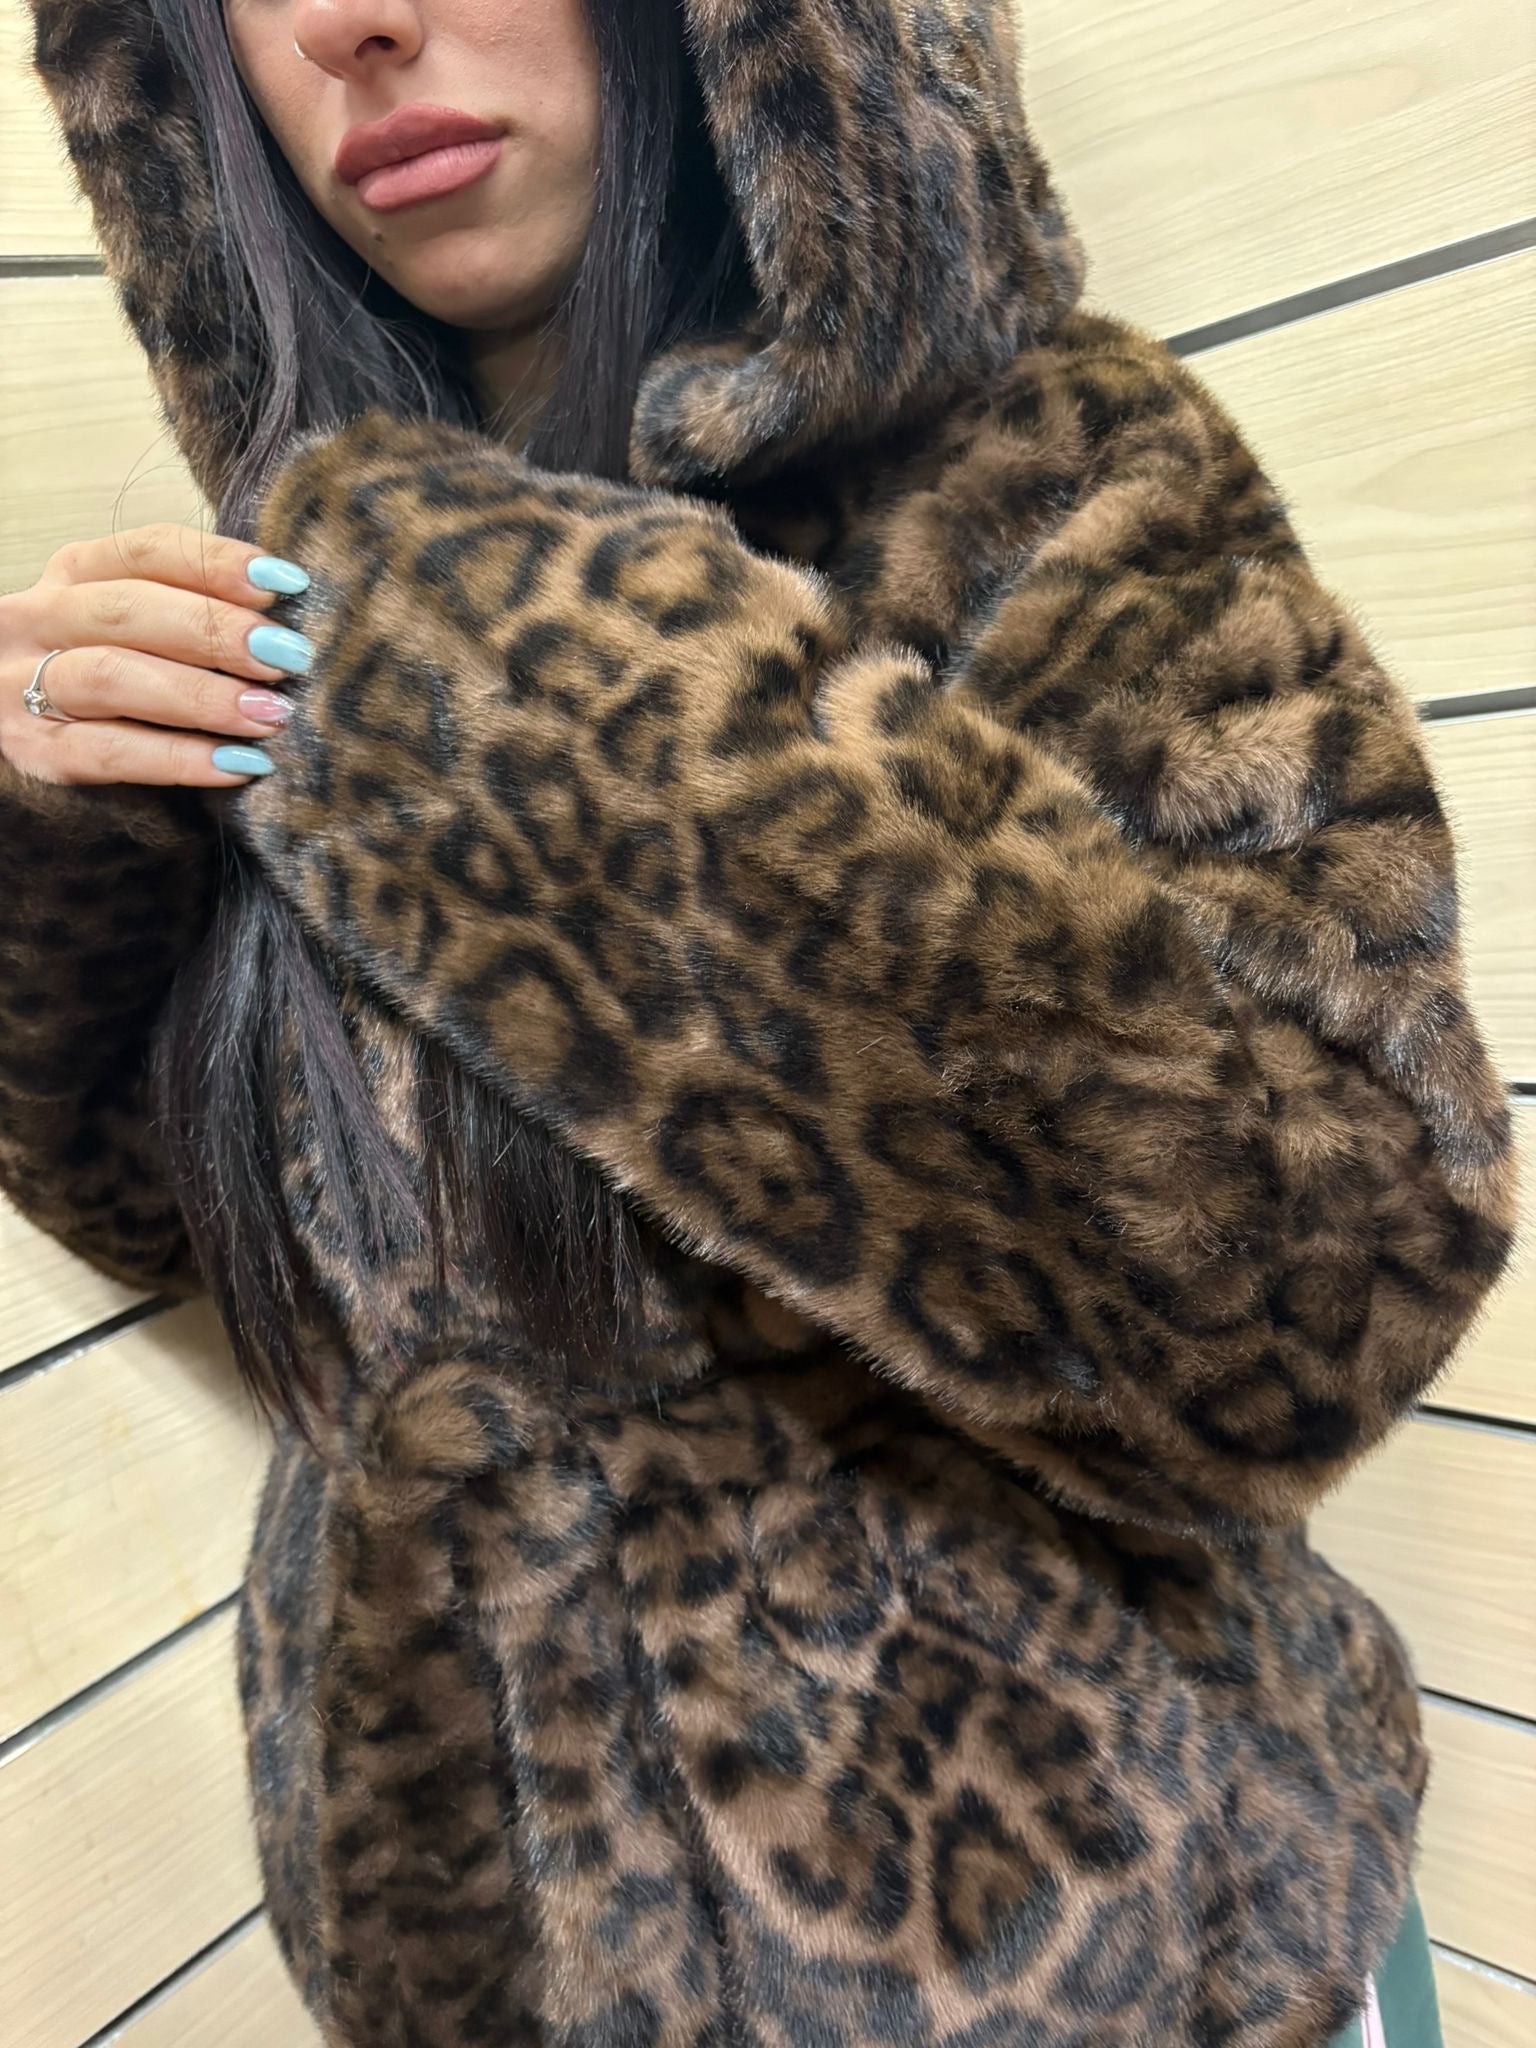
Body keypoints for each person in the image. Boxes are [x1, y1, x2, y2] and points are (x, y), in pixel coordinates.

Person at [0, 2, 1515, 2042]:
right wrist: (64, 862)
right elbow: (204, 1230)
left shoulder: (1038, 467)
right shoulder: (278, 607)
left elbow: (1325, 1284)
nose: (353, 22)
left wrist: (529, 674)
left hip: (1105, 1968)